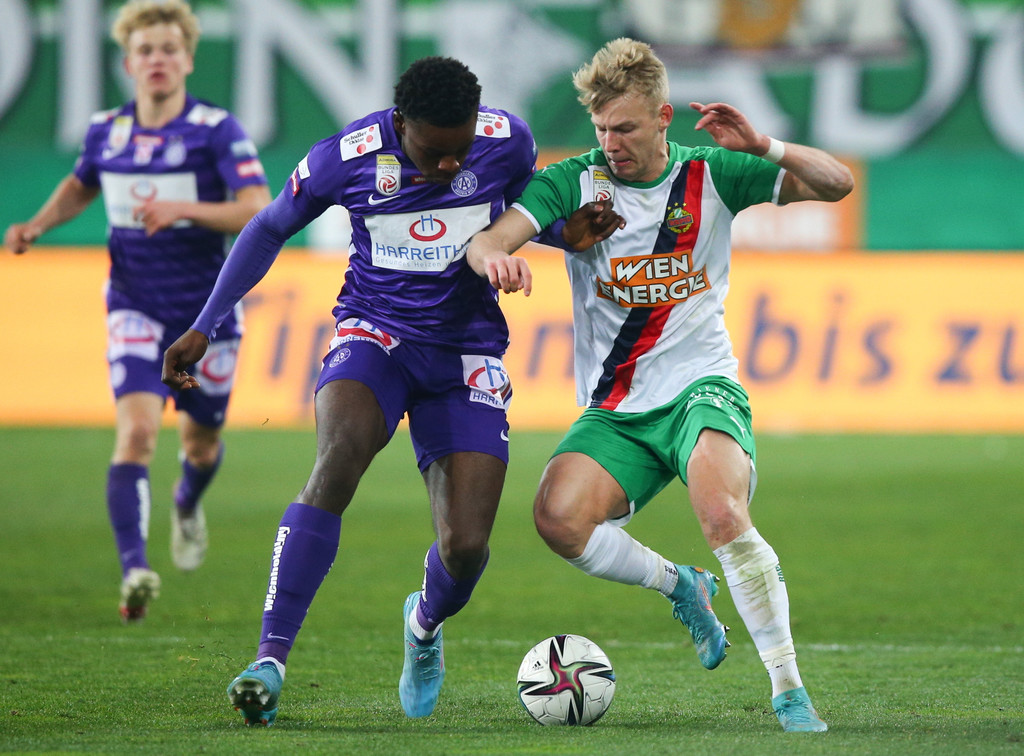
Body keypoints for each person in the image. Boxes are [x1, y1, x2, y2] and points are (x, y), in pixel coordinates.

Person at [160, 55, 637, 727]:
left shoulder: (508, 141)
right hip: (374, 333)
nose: (449, 164)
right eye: (434, 152)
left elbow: (529, 215)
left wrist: (568, 235)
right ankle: (269, 661)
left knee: (465, 547)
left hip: (466, 352)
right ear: (400, 122)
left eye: (459, 150)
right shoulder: (346, 157)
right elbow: (268, 227)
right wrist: (204, 325)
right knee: (337, 460)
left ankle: (423, 623)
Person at [467, 37, 854, 733]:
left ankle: (789, 689)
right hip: (618, 407)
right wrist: (498, 258)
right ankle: (683, 586)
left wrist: (764, 145)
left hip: (701, 387)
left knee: (722, 516)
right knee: (558, 519)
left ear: (662, 117)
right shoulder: (573, 182)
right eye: (601, 129)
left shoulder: (713, 172)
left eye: (625, 127)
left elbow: (836, 184)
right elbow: (489, 239)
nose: (610, 143)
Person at [3, 0, 271, 622]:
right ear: (127, 63)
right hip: (135, 304)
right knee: (138, 433)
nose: (157, 60)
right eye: (145, 50)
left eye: (169, 49)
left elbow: (257, 207)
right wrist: (38, 224)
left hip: (206, 315)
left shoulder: (215, 130)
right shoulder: (107, 131)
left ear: (188, 59)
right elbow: (81, 185)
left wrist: (186, 210)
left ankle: (186, 502)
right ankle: (135, 570)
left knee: (200, 444)